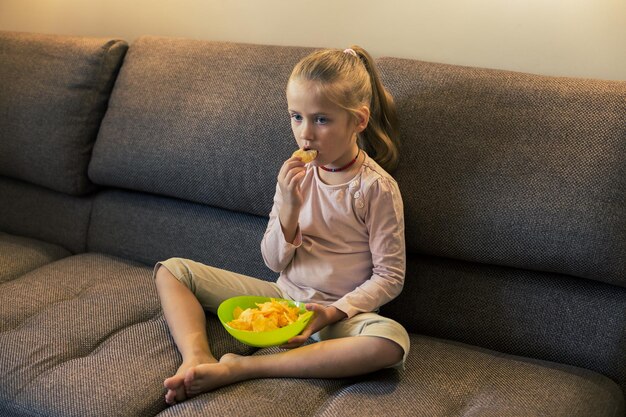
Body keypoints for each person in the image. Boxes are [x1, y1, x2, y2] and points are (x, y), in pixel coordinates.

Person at [154, 45, 409, 405]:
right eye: (296, 117)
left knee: (390, 342)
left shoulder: (374, 188)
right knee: (172, 271)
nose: (306, 134)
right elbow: (273, 262)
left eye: (322, 119)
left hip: (338, 317)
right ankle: (196, 358)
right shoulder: (294, 176)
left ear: (359, 120)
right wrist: (289, 208)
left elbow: (390, 276)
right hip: (285, 301)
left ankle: (243, 368)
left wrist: (332, 313)